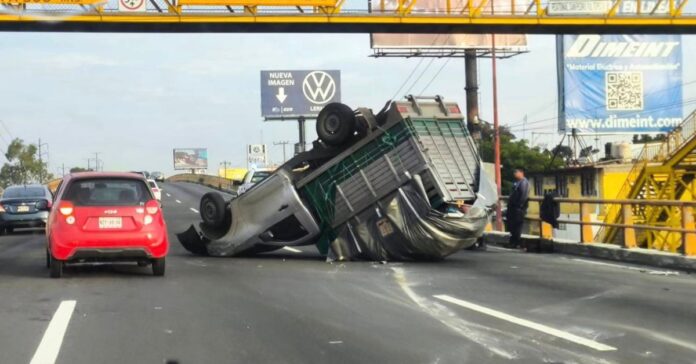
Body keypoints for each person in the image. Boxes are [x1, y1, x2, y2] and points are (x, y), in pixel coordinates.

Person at [506, 168, 529, 248]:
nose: (514, 174)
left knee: (517, 225)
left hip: (518, 208)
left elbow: (523, 195)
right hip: (512, 207)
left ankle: (516, 242)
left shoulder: (524, 182)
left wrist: (519, 205)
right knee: (512, 224)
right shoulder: (516, 182)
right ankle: (512, 241)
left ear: (521, 173)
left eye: (516, 172)